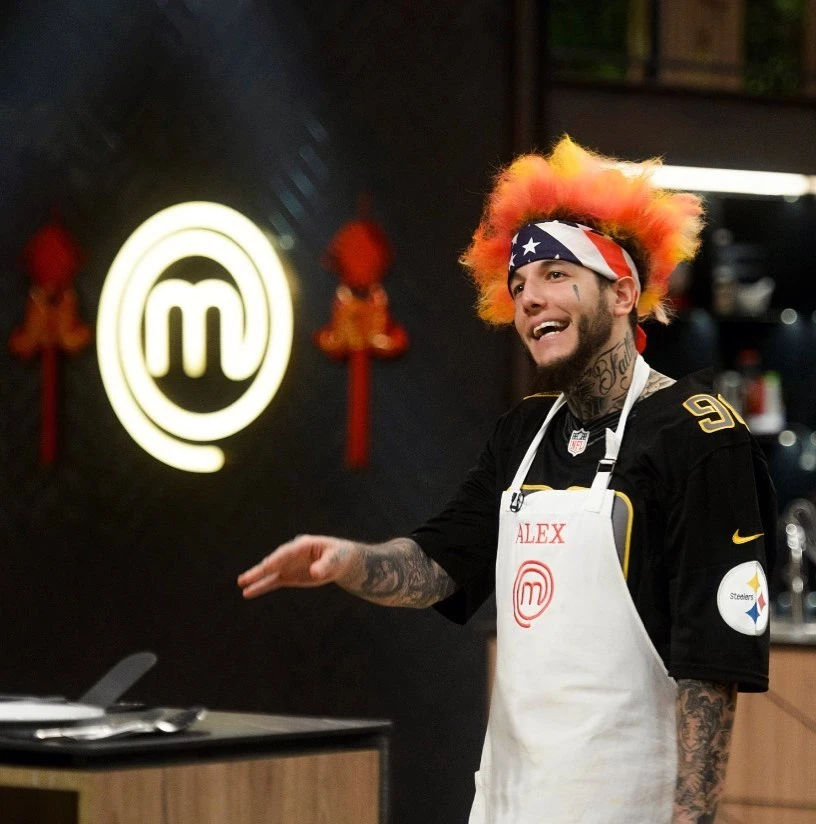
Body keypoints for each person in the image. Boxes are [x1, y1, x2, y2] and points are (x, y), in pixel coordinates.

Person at [238, 136, 776, 824]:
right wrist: (347, 561)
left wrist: (690, 818)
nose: (529, 298)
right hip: (506, 803)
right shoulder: (523, 434)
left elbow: (711, 670)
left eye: (555, 273)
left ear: (622, 292)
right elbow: (439, 568)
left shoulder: (698, 437)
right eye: (518, 284)